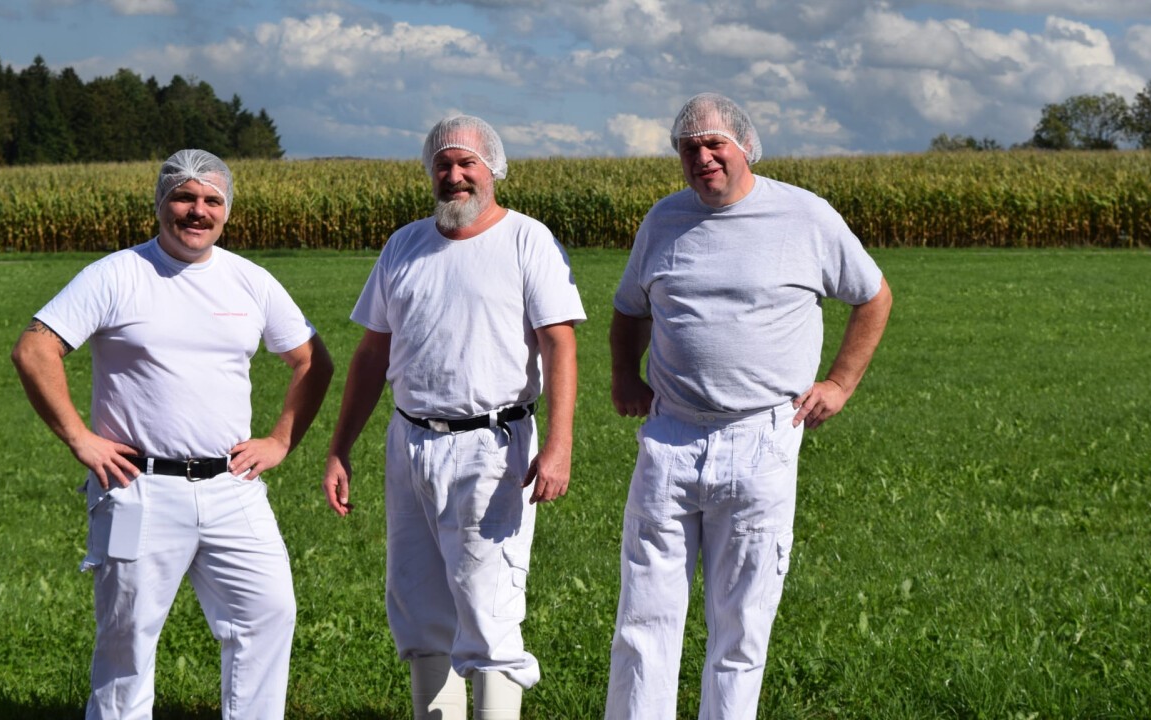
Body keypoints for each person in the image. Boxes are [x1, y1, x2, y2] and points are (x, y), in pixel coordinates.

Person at [11, 149, 333, 720]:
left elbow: (312, 360)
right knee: (126, 638)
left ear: (227, 210)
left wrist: (280, 440)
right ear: (161, 203)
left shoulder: (249, 281)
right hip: (137, 488)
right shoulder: (118, 273)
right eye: (184, 197)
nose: (197, 211)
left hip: (232, 486)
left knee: (269, 614)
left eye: (212, 200)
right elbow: (36, 350)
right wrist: (80, 439)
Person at [604, 93, 893, 719]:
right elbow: (630, 308)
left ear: (745, 147)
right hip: (670, 439)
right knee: (644, 620)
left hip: (762, 439)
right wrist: (625, 373)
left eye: (714, 145)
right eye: (689, 148)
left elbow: (873, 296)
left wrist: (840, 384)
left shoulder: (804, 216)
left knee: (741, 624)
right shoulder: (664, 220)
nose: (702, 157)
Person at [321, 115, 584, 720]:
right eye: (443, 164)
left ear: (493, 170)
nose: (455, 175)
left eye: (468, 163)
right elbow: (372, 352)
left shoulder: (526, 240)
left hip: (492, 446)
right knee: (417, 602)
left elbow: (559, 343)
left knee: (488, 606)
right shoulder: (404, 245)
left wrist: (560, 444)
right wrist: (341, 447)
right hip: (409, 441)